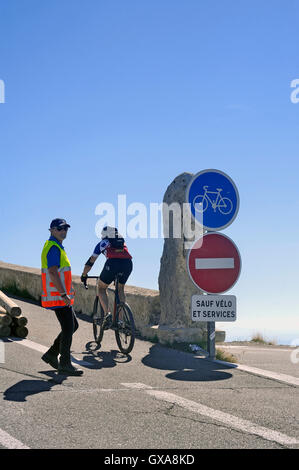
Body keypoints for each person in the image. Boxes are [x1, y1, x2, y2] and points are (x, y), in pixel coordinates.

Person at [41, 218, 83, 376]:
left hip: (60, 295)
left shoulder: (57, 246)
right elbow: (52, 272)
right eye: (60, 229)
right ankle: (65, 363)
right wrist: (63, 293)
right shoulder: (53, 247)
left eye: (65, 229)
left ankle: (51, 353)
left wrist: (69, 289)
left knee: (73, 326)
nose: (63, 231)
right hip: (58, 296)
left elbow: (61, 272)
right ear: (51, 230)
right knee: (68, 328)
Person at [81, 226, 133, 327]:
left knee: (101, 288)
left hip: (112, 264)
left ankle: (107, 314)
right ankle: (121, 320)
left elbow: (91, 261)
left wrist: (84, 275)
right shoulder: (122, 242)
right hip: (128, 264)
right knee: (120, 289)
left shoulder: (103, 243)